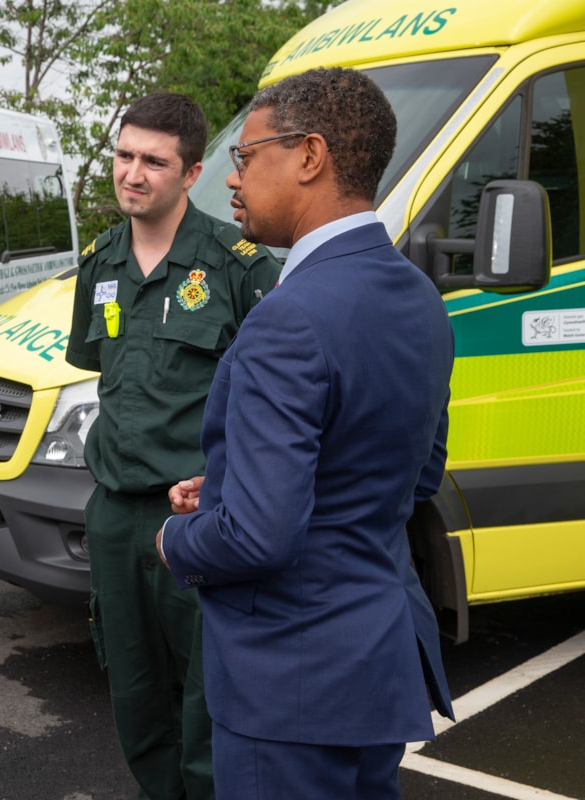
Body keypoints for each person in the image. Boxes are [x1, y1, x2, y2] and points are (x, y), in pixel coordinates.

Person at [157, 67, 456, 800]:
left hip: (290, 685)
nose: (230, 180)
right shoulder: (418, 296)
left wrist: (171, 539)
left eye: (247, 156)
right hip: (376, 665)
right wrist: (233, 488)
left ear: (310, 156)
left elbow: (261, 538)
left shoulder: (290, 317)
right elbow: (412, 473)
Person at [64, 92, 280, 800]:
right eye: (124, 156)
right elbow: (101, 367)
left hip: (194, 514)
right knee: (133, 692)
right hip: (113, 512)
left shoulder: (237, 266)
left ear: (190, 173)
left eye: (153, 162)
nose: (132, 174)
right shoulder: (98, 261)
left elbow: (272, 397)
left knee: (210, 697)